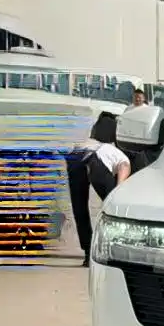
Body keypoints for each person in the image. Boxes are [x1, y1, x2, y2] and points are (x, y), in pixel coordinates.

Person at [67, 112, 133, 267]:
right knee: (113, 210)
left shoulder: (89, 142)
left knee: (80, 210)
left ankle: (87, 253)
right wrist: (118, 190)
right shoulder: (116, 153)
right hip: (96, 161)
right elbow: (124, 166)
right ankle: (114, 250)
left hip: (75, 157)